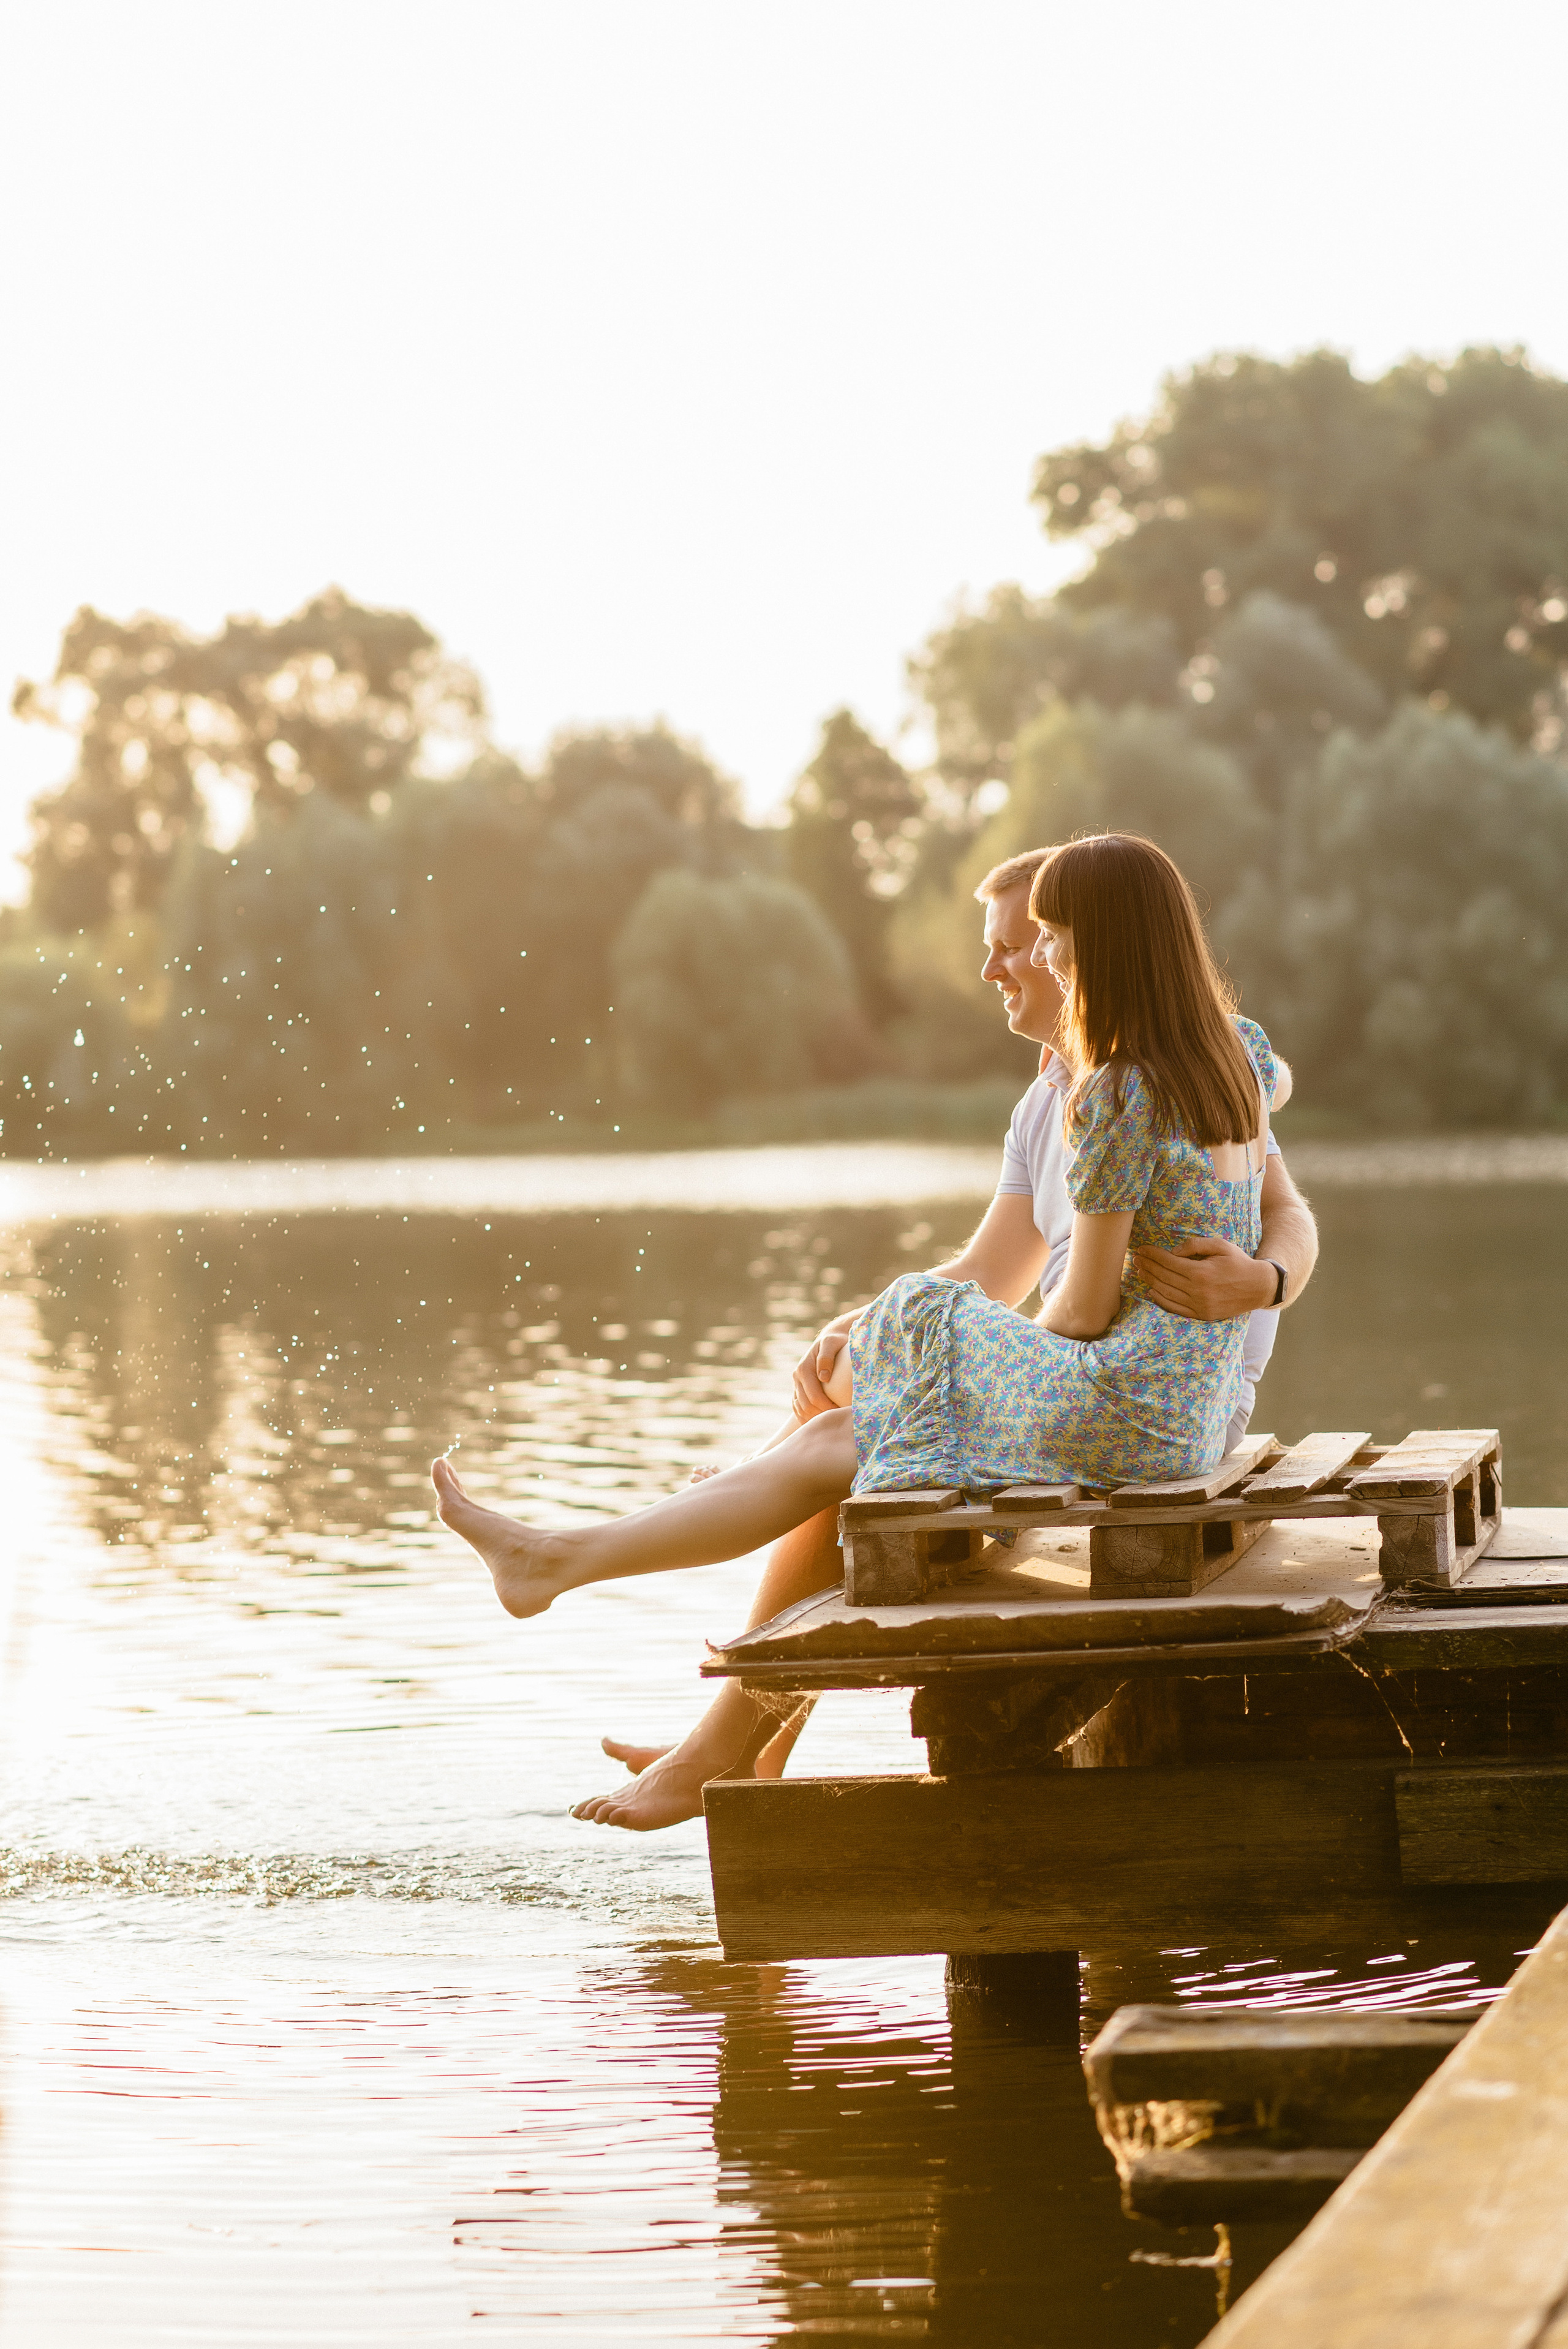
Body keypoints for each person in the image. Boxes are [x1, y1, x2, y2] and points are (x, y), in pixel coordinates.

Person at [432, 833, 1318, 1826]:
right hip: (1160, 1409)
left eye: (1041, 941)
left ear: (1094, 947)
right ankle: (720, 1722)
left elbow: (1085, 1306)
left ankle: (643, 1571)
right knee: (864, 1406)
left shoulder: (1125, 1087)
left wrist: (1266, 1278)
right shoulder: (1202, 1061)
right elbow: (1003, 1268)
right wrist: (895, 1341)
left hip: (1137, 1408)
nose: (1018, 964)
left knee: (900, 1349)